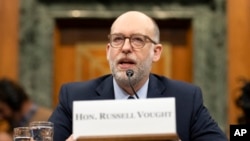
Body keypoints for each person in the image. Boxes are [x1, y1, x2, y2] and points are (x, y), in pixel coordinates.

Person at [49, 11, 228, 141]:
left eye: (137, 40)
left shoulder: (186, 99)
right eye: (118, 39)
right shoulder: (74, 97)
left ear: (156, 52)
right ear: (108, 50)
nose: (125, 48)